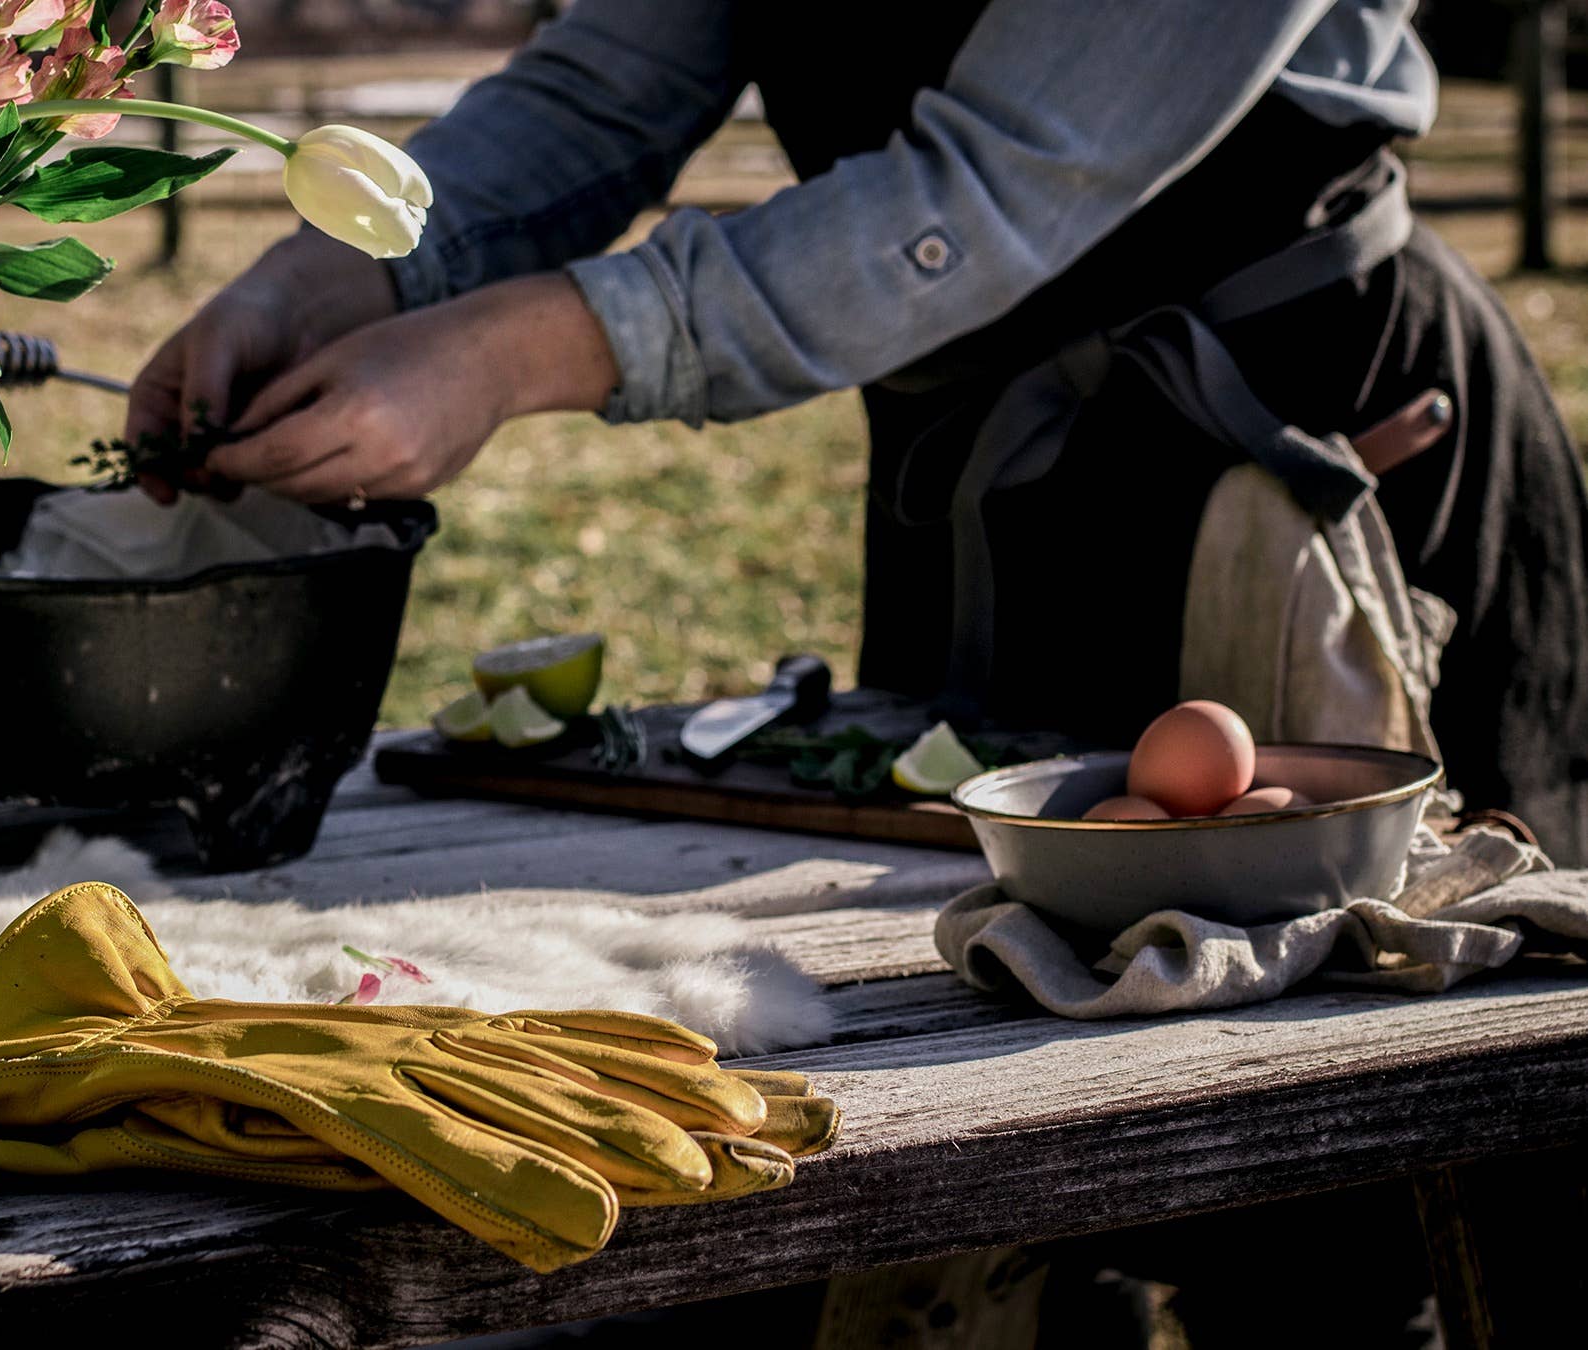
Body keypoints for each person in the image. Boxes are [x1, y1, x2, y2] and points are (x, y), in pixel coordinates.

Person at [129, 0, 1588, 867]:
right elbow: (599, 89)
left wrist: (510, 350)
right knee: (985, 1052)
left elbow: (994, 189)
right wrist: (334, 267)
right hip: (985, 466)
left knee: (1327, 1154)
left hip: (1304, 451)